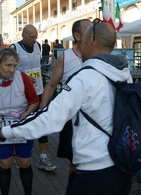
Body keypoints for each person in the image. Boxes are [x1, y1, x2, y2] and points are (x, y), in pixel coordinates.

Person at [0, 21, 134, 194]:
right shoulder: (124, 73)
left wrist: (1, 133)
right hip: (121, 164)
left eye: (82, 42)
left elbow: (49, 119)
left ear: (90, 40)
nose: (79, 47)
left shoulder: (84, 78)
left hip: (93, 171)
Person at [0, 48, 38, 195]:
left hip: (22, 124)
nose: (12, 69)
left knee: (25, 163)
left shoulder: (22, 78)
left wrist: (27, 113)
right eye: (8, 65)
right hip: (0, 125)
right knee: (5, 163)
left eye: (15, 65)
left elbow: (34, 100)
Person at [39, 19, 91, 173]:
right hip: (73, 118)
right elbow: (51, 84)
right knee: (74, 161)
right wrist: (43, 109)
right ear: (77, 36)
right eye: (89, 29)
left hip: (94, 116)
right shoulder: (66, 57)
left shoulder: (100, 56)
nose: (93, 32)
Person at [9, 24, 57, 171]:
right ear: (23, 35)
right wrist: (23, 77)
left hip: (38, 91)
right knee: (22, 122)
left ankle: (43, 158)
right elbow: (7, 69)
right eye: (31, 37)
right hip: (20, 93)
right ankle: (19, 155)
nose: (34, 39)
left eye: (36, 36)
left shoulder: (37, 45)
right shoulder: (14, 48)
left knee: (43, 121)